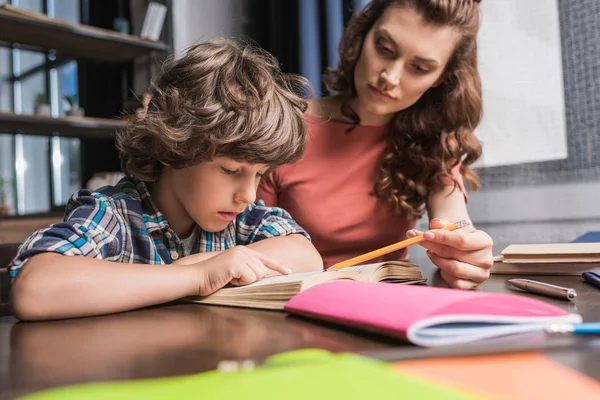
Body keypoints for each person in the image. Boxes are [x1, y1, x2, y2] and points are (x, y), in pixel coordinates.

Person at [9, 39, 323, 321]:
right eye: (230, 170)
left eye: (260, 174)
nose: (249, 195)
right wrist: (197, 275)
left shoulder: (241, 220)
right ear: (171, 147)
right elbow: (34, 289)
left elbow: (306, 256)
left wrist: (210, 262)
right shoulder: (115, 215)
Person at [258, 0, 493, 289]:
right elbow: (249, 245)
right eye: (384, 48)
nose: (389, 77)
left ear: (440, 78)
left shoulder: (434, 139)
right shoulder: (283, 124)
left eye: (419, 68)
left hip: (389, 304)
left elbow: (456, 224)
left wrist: (466, 258)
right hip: (285, 305)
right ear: (363, 34)